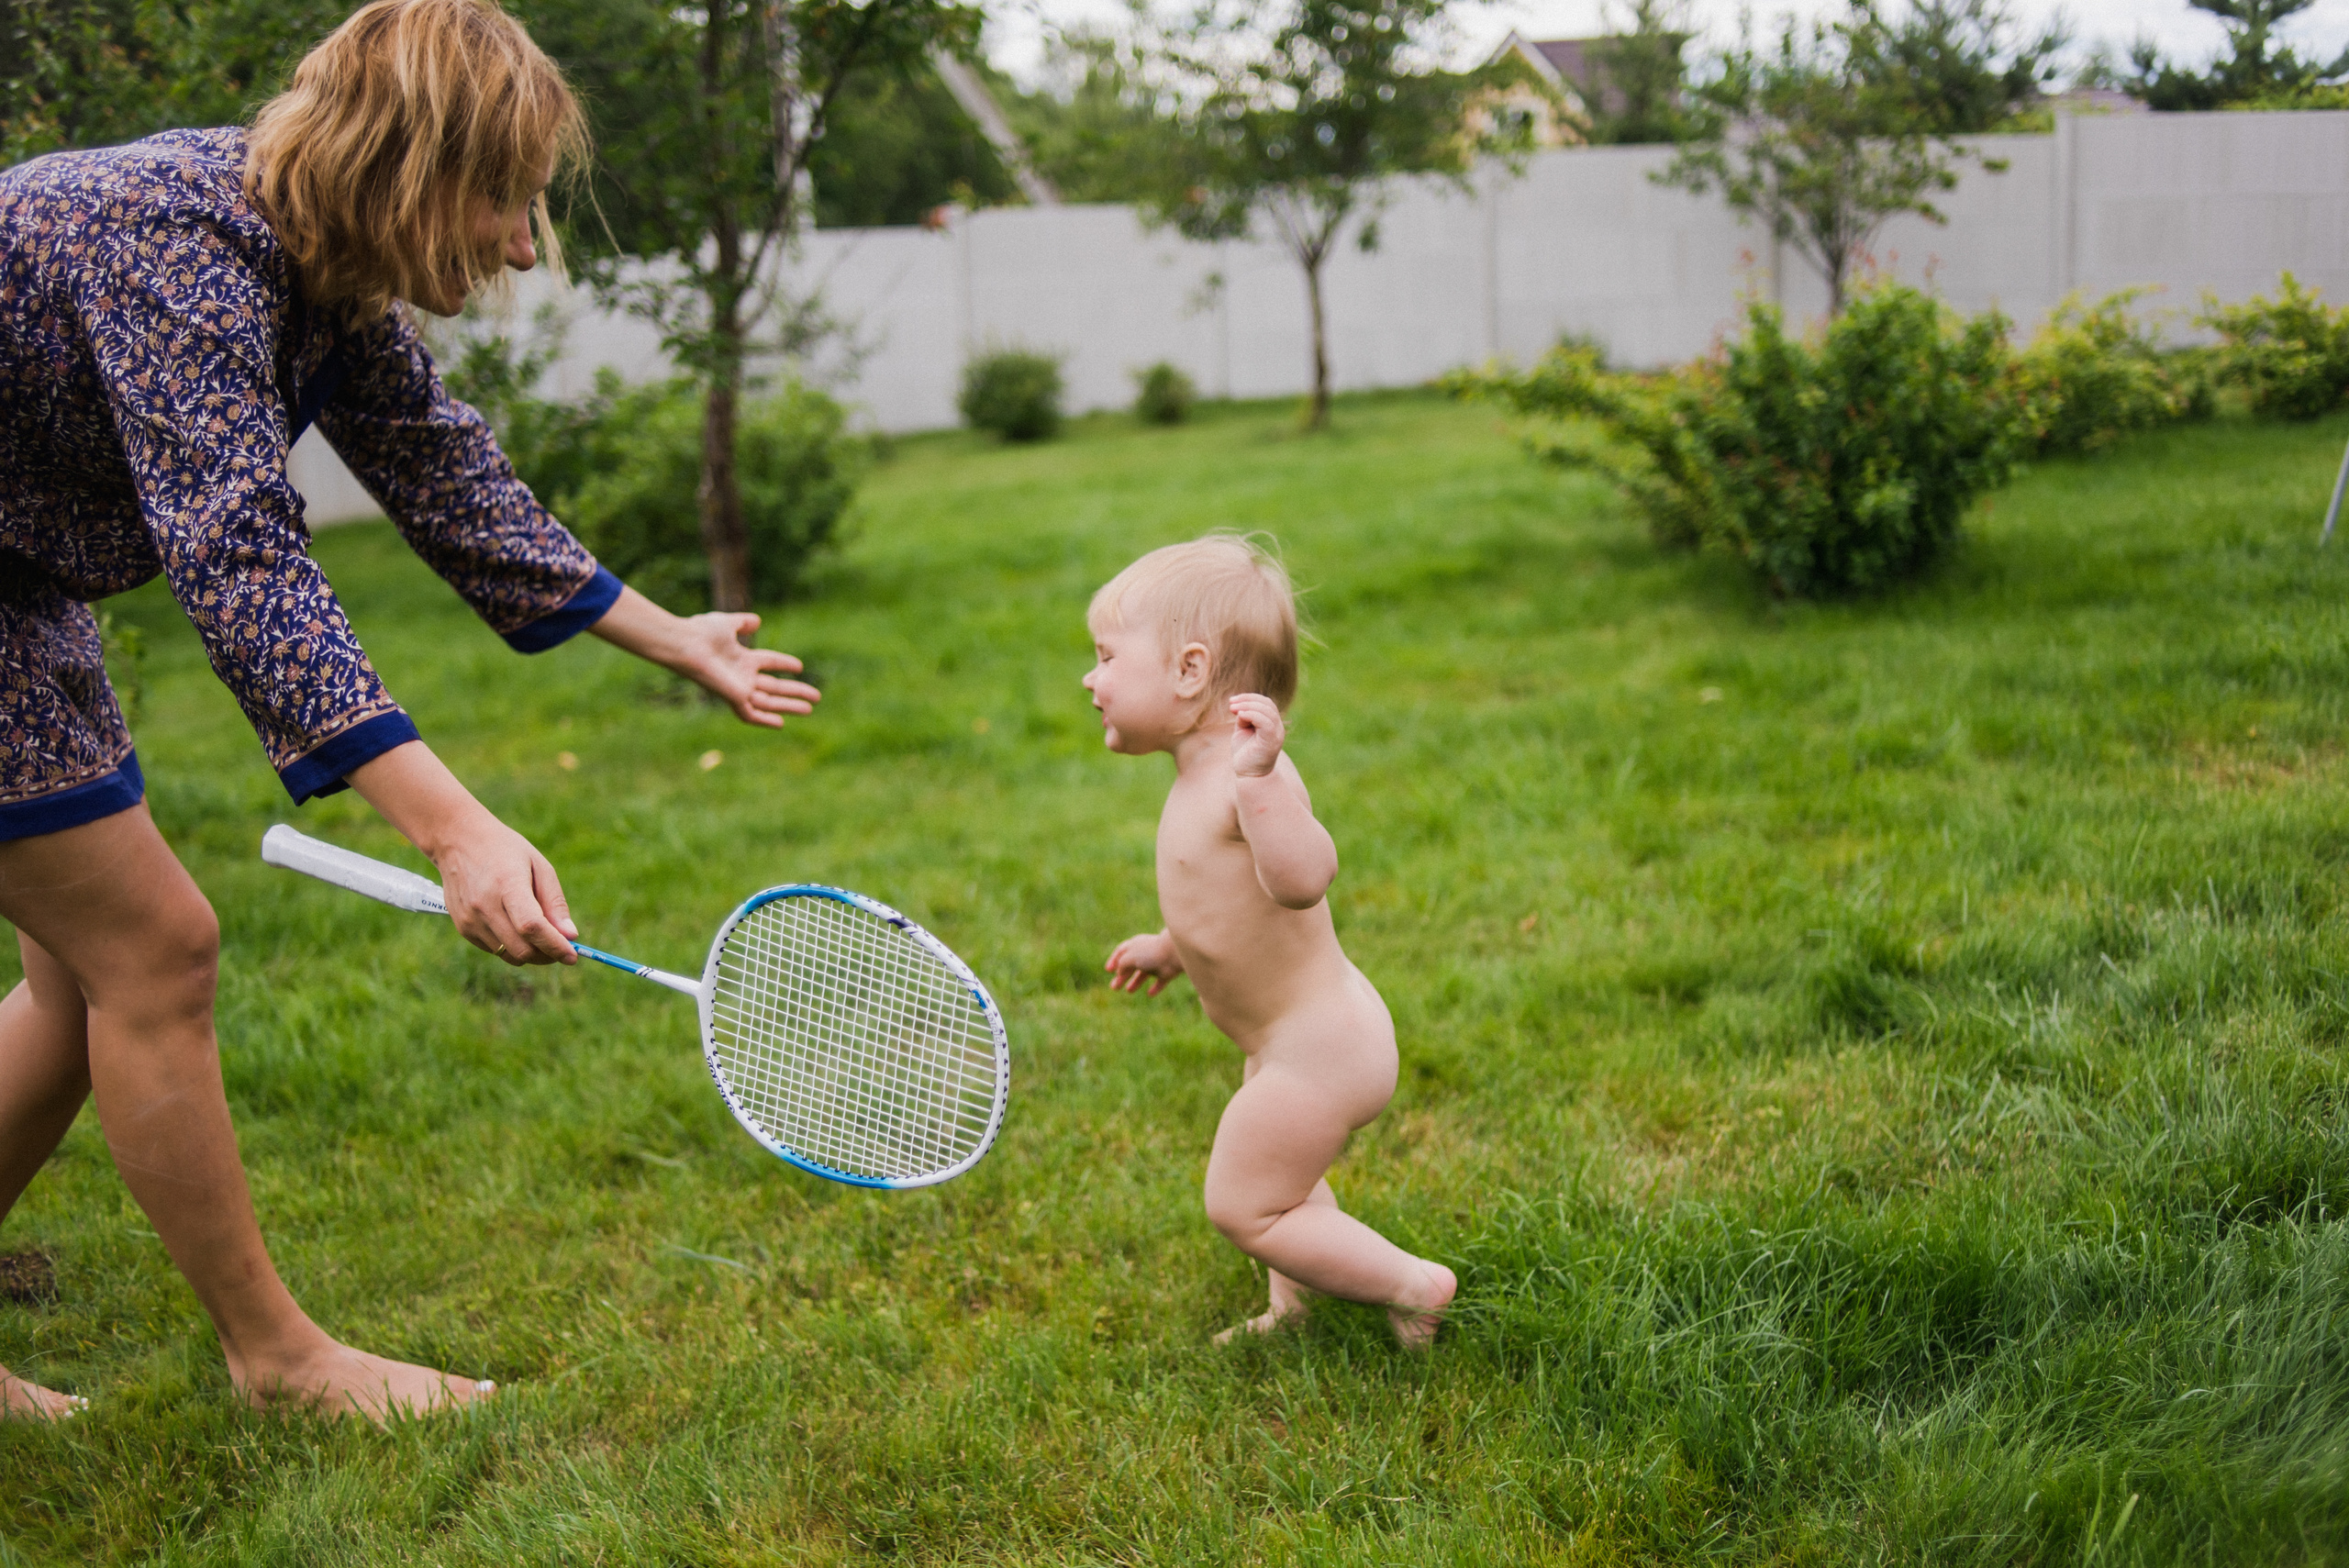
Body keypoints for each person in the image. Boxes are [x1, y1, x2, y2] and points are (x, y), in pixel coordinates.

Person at [0, 0, 819, 1422]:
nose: (523, 246)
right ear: (413, 166)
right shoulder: (176, 241)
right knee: (154, 949)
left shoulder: (319, 266)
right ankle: (280, 1361)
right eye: (506, 200)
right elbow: (241, 559)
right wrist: (455, 831)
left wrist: (671, 635)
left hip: (19, 579)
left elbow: (449, 475)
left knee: (85, 979)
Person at [1085, 537, 1456, 1347]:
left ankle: (1414, 1285)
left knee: (1243, 1204)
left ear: (1189, 671)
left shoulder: (1250, 775)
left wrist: (1260, 783)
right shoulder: (1198, 776)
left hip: (1322, 1049)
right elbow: (1229, 903)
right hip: (1286, 1043)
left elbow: (1303, 878)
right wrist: (1170, 946)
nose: (1091, 678)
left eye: (1107, 657)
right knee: (1283, 1187)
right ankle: (1293, 1308)